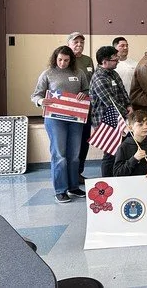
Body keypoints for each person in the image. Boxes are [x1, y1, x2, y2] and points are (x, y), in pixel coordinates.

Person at [31, 46, 89, 203]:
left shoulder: (79, 73)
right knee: (60, 155)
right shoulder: (48, 74)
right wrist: (41, 101)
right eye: (60, 60)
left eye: (66, 60)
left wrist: (85, 94)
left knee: (74, 155)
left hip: (76, 119)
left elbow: (87, 90)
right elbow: (36, 95)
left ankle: (73, 187)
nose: (63, 63)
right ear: (55, 58)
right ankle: (60, 190)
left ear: (71, 60)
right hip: (55, 120)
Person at [89, 46, 132, 177]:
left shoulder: (114, 73)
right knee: (111, 152)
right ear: (104, 61)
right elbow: (110, 101)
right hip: (106, 120)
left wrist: (129, 105)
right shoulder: (99, 78)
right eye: (115, 59)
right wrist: (127, 112)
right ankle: (107, 181)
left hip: (121, 117)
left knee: (121, 151)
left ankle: (119, 177)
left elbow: (123, 92)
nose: (118, 61)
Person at [67, 32, 94, 184]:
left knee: (84, 141)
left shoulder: (88, 60)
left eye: (81, 42)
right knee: (72, 143)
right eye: (75, 42)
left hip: (86, 107)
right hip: (70, 108)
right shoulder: (65, 59)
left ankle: (78, 173)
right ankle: (69, 174)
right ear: (69, 44)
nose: (79, 45)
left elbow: (92, 81)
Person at [113, 110, 147, 177]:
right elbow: (117, 173)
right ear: (130, 128)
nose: (145, 127)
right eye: (140, 124)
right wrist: (134, 159)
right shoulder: (123, 147)